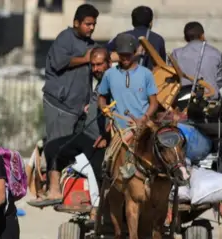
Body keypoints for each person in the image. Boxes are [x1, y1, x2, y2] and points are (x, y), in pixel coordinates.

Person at [28, 47, 111, 210]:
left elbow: (117, 111)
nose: (96, 69)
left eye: (100, 65)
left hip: (98, 140)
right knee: (52, 147)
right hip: (86, 135)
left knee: (99, 177)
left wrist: (107, 136)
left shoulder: (114, 80)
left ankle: (103, 209)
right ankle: (54, 192)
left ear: (109, 63)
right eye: (93, 65)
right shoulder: (102, 81)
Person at [41, 4, 99, 141]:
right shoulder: (65, 38)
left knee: (77, 152)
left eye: (94, 24)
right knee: (58, 148)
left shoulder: (90, 44)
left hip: (79, 110)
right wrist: (85, 59)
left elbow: (104, 56)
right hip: (60, 106)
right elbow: (59, 62)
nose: (91, 27)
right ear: (76, 23)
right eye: (88, 24)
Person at [98, 33, 159, 142]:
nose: (125, 58)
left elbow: (154, 103)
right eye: (122, 55)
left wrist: (144, 118)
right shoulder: (109, 74)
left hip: (142, 130)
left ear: (135, 53)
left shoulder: (146, 74)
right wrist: (104, 108)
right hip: (118, 132)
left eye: (128, 55)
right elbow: (101, 97)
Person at [171, 21, 222, 98]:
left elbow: (171, 78)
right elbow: (220, 79)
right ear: (202, 36)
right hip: (210, 101)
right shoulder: (215, 53)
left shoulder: (176, 54)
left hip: (184, 102)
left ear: (185, 38)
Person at [106, 5, 167, 70]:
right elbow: (163, 65)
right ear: (151, 22)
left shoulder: (122, 36)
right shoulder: (158, 39)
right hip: (152, 78)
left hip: (126, 77)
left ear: (133, 22)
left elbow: (103, 54)